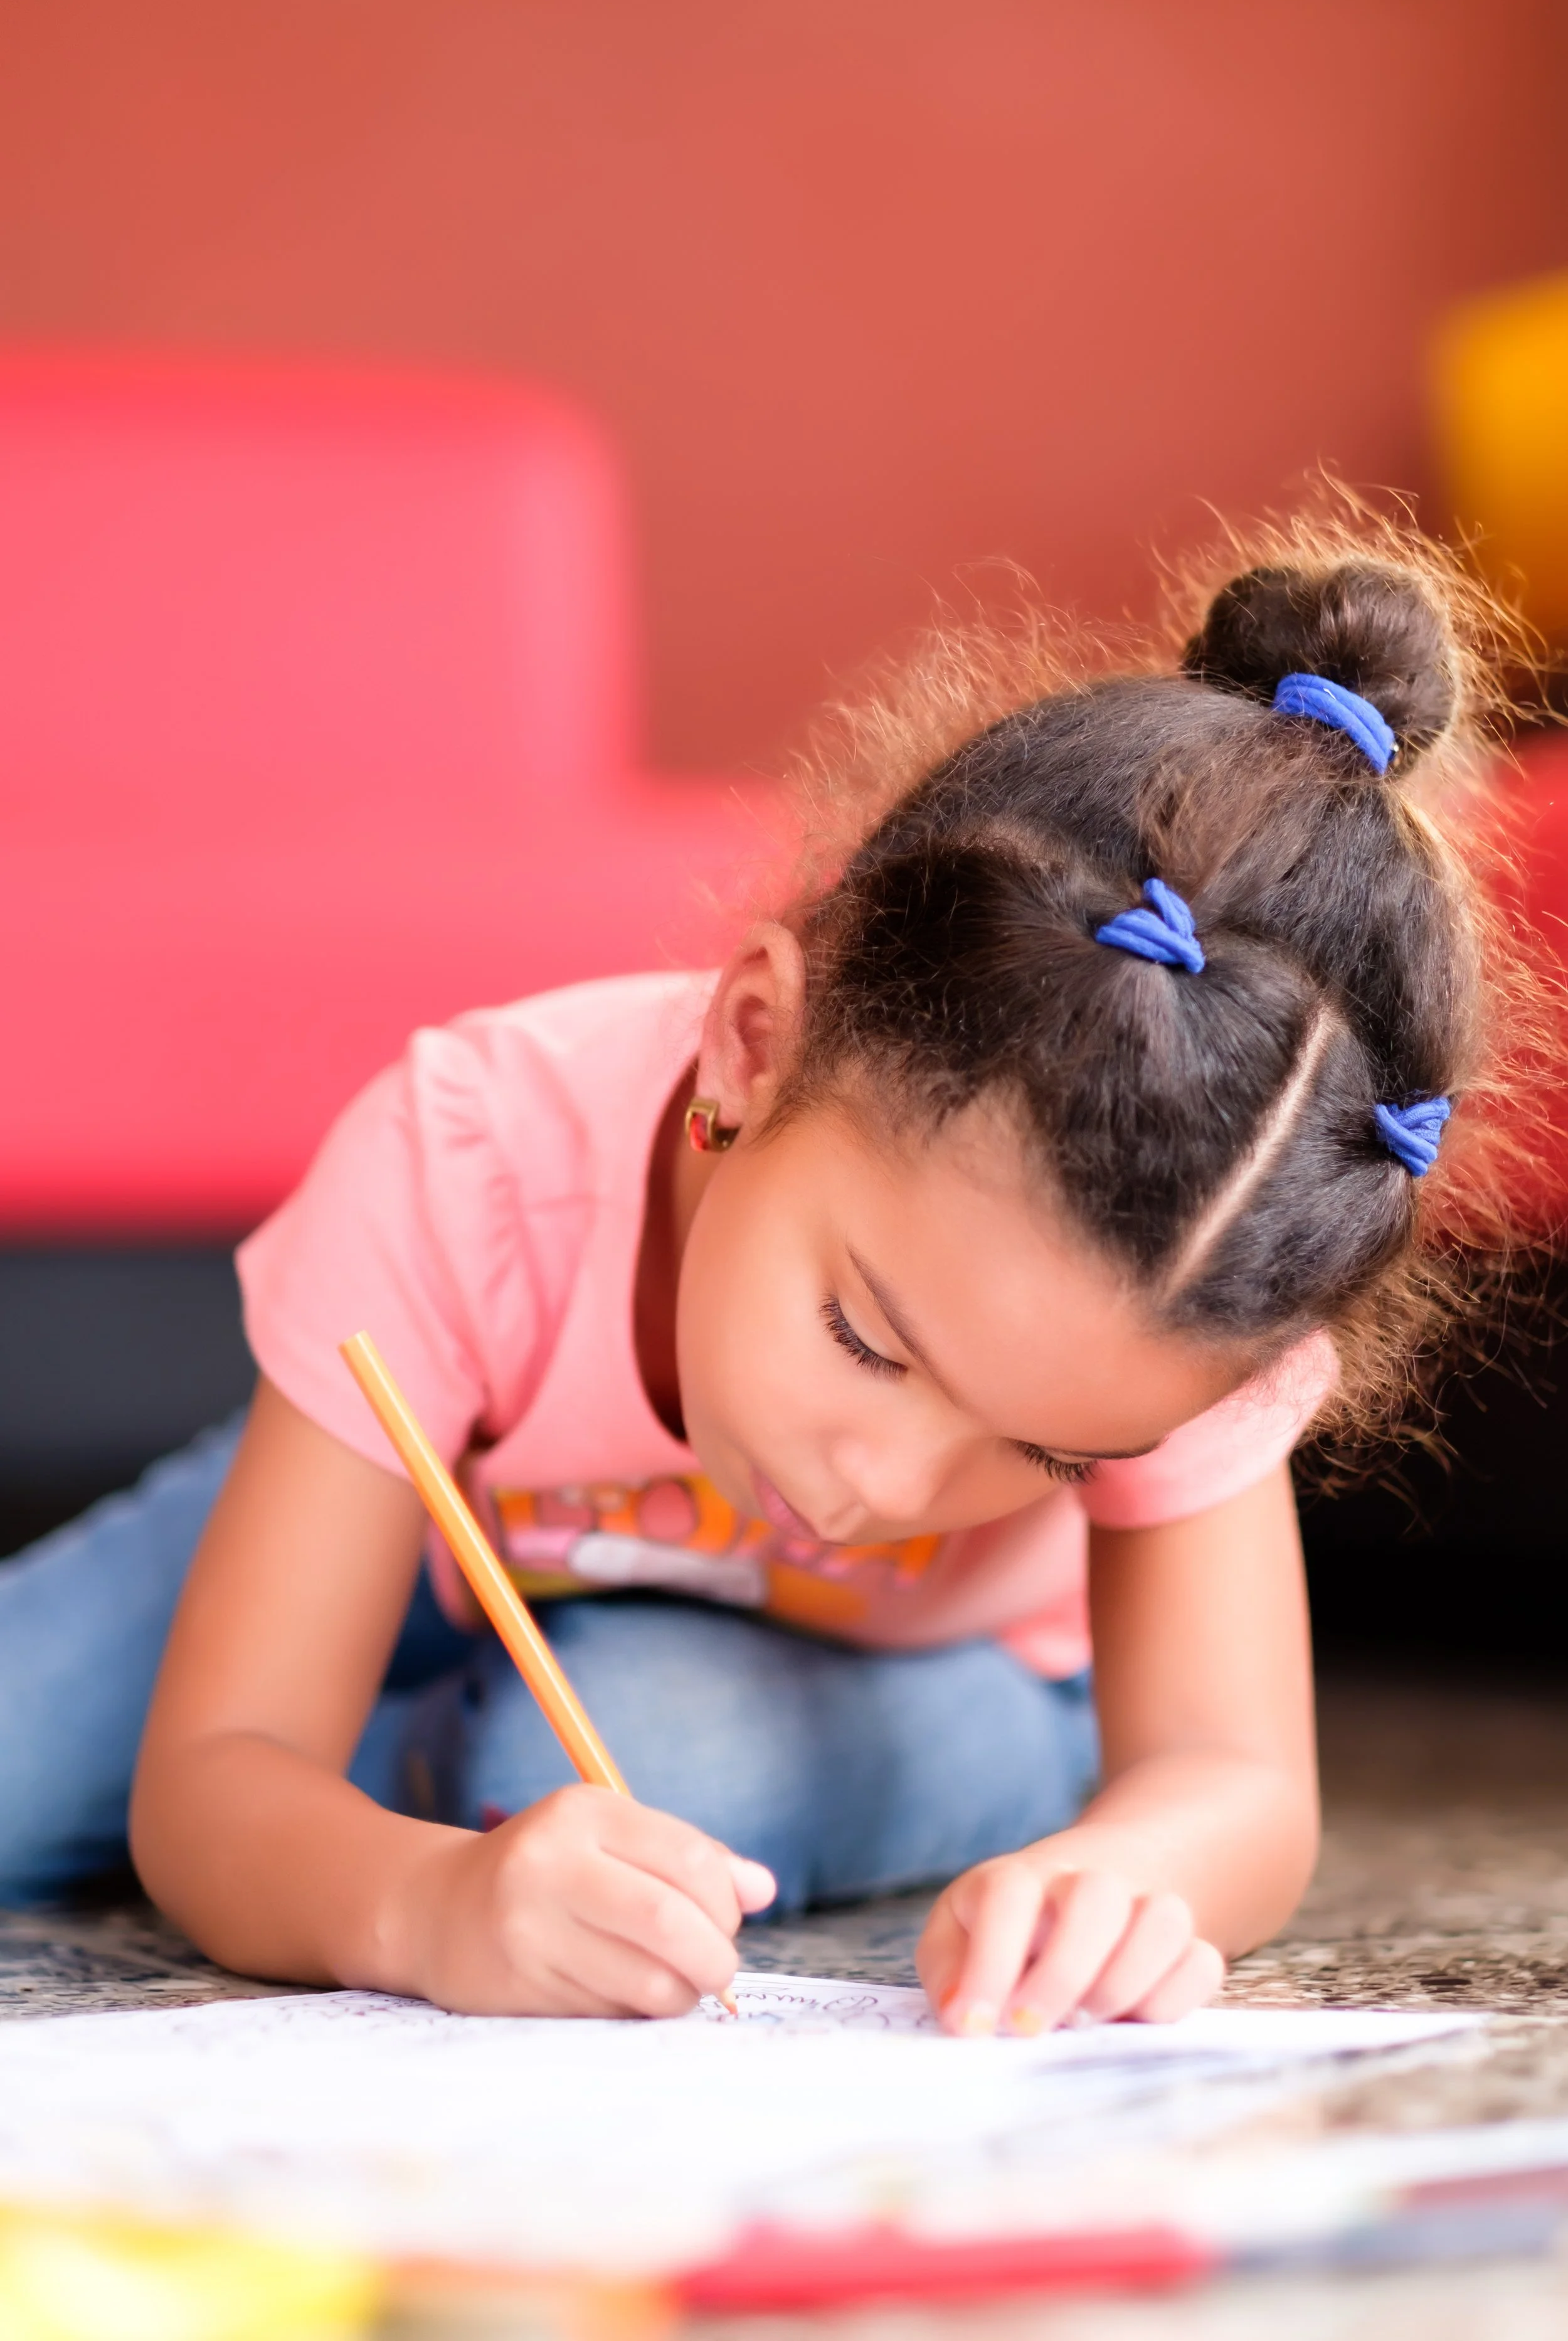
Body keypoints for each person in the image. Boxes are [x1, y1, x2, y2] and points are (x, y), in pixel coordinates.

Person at [0, 519, 1542, 2035]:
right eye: (867, 1341)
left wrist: (1123, 1875)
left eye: (1052, 1456)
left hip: (868, 1676)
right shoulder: (469, 1155)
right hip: (430, 1521)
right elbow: (219, 1773)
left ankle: (492, 1768)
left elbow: (1238, 1781)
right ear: (752, 1042)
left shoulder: (1196, 1279)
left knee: (608, 1782)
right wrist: (421, 1904)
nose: (881, 1482)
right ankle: (424, 1767)